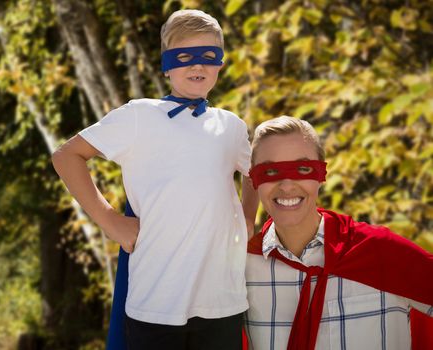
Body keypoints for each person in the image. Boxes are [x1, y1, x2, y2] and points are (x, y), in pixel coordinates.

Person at [52, 9, 257, 349]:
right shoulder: (139, 116)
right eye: (184, 56)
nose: (197, 66)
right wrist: (110, 221)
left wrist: (249, 218)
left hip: (222, 298)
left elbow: (255, 173)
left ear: (221, 64)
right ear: (166, 65)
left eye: (209, 56)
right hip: (156, 299)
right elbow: (66, 156)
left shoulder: (231, 126)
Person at [243, 116, 433, 349]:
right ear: (253, 180)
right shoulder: (241, 269)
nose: (287, 185)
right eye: (270, 171)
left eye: (303, 169)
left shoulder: (382, 252)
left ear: (322, 174)